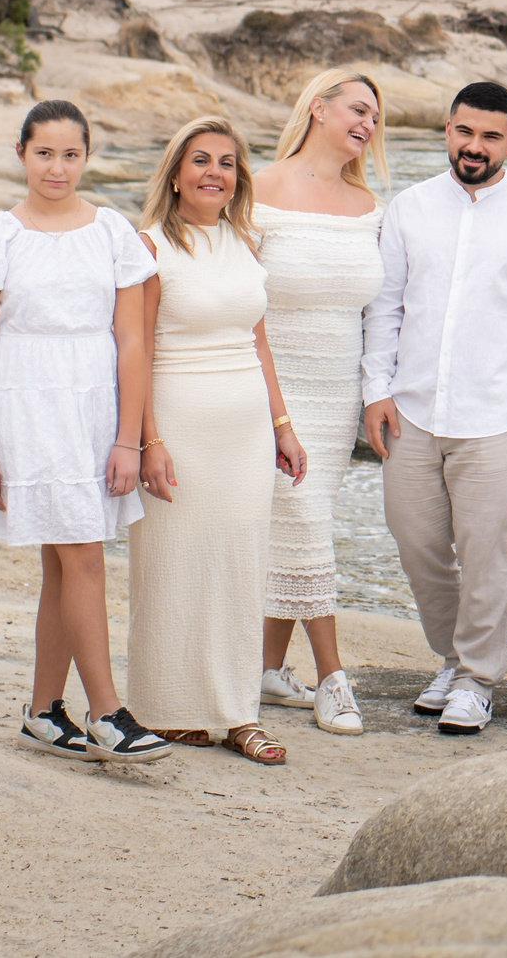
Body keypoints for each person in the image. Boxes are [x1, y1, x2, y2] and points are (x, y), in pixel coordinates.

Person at [361, 80, 507, 736]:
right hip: (411, 409)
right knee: (417, 542)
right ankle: (454, 657)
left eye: (490, 135)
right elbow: (386, 307)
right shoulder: (409, 208)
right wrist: (375, 388)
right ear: (447, 131)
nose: (475, 145)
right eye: (465, 131)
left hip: (495, 416)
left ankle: (477, 679)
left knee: (485, 551)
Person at [0, 100, 170, 764]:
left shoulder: (111, 231)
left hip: (91, 408)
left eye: (70, 153)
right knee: (82, 555)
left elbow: (133, 342)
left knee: (62, 561)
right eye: (44, 152)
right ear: (22, 152)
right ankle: (107, 712)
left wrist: (128, 438)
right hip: (26, 410)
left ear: (86, 156)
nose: (57, 166)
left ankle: (45, 711)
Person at [125, 115, 310, 766]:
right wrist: (147, 440)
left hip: (245, 432)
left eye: (226, 162)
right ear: (175, 173)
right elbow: (135, 349)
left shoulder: (243, 240)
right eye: (200, 159)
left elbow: (257, 338)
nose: (214, 172)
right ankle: (168, 708)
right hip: (178, 423)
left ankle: (238, 712)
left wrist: (282, 425)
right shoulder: (148, 247)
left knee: (238, 563)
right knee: (171, 566)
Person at [250, 69, 387, 736]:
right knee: (303, 521)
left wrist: (375, 394)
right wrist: (275, 414)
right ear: (318, 107)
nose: (367, 124)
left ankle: (270, 670)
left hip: (337, 396)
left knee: (298, 523)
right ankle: (333, 675)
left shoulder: (368, 205)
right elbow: (240, 304)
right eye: (358, 109)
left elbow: (379, 314)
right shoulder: (260, 189)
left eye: (375, 117)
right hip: (272, 386)